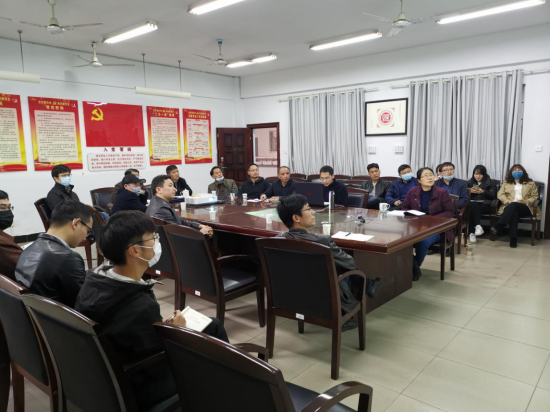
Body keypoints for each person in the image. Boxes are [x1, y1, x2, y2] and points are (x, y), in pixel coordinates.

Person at [75, 211, 228, 408]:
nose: (157, 242)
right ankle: (229, 389)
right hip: (142, 382)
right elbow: (159, 360)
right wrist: (177, 331)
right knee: (214, 331)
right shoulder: (139, 305)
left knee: (212, 325)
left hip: (105, 373)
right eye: (153, 238)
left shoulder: (92, 280)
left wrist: (159, 326)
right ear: (134, 251)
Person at [277, 195, 383, 331]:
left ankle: (369, 286)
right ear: (296, 218)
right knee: (341, 268)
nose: (313, 212)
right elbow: (350, 264)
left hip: (292, 297)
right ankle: (365, 289)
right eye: (308, 209)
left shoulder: (278, 240)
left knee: (330, 266)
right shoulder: (322, 241)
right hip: (325, 299)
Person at [15, 201, 92, 308]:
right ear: (76, 223)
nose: (85, 237)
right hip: (62, 316)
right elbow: (83, 304)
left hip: (38, 312)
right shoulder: (68, 258)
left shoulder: (28, 249)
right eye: (88, 230)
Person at [403, 168, 455, 281]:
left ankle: (415, 266)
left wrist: (430, 220)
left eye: (431, 175)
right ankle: (413, 266)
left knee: (422, 241)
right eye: (426, 175)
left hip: (436, 229)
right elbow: (405, 208)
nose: (430, 177)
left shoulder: (442, 192)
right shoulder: (412, 191)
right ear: (419, 180)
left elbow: (450, 212)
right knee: (401, 241)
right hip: (415, 226)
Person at [146, 175, 213, 237]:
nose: (175, 189)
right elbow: (176, 235)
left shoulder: (159, 203)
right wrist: (201, 233)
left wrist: (199, 225)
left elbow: (181, 222)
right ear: (159, 189)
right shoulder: (161, 209)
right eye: (170, 186)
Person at [492, 164, 541, 249]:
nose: (517, 172)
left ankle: (499, 225)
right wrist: (507, 201)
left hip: (525, 207)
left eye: (519, 171)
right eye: (515, 171)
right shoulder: (506, 182)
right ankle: (513, 240)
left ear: (523, 172)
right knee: (514, 212)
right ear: (511, 172)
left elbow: (535, 196)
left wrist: (525, 201)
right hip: (509, 206)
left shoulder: (530, 183)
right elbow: (500, 194)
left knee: (514, 205)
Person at [467, 165, 497, 244]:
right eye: (476, 174)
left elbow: (493, 195)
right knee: (472, 207)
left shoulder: (491, 182)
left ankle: (471, 233)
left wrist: (483, 191)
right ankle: (477, 227)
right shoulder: (470, 182)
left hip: (485, 205)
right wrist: (470, 191)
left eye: (480, 174)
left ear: (484, 174)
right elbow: (464, 195)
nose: (478, 176)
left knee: (471, 209)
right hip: (474, 205)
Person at [0, 191, 22, 281]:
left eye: (9, 207)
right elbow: (27, 266)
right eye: (2, 208)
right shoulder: (2, 243)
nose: (8, 212)